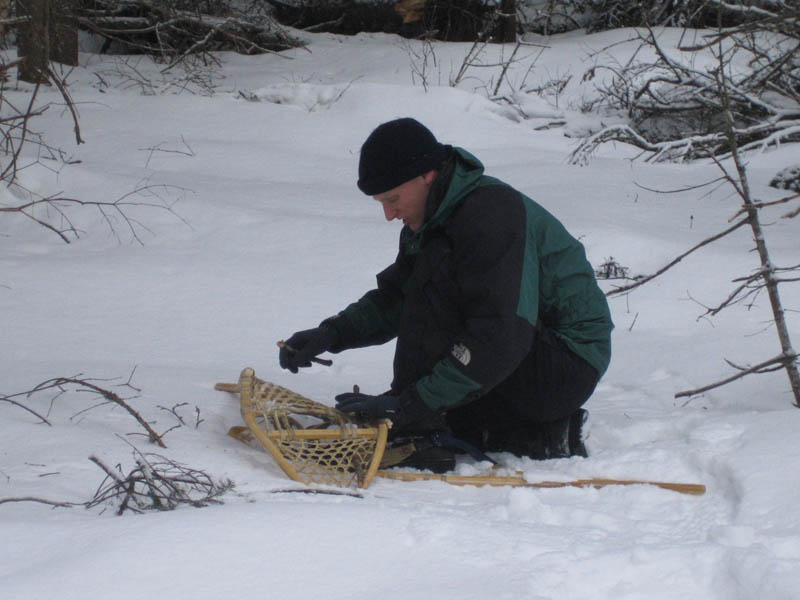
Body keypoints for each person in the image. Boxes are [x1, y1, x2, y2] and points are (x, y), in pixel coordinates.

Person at [279, 117, 613, 473]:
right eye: (381, 203)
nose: (389, 215)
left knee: (439, 292)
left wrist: (411, 406)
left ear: (427, 175)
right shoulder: (434, 217)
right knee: (436, 311)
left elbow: (501, 332)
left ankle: (420, 432)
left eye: (392, 199)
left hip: (565, 366)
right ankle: (537, 435)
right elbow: (395, 299)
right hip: (522, 354)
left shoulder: (490, 215)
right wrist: (331, 333)